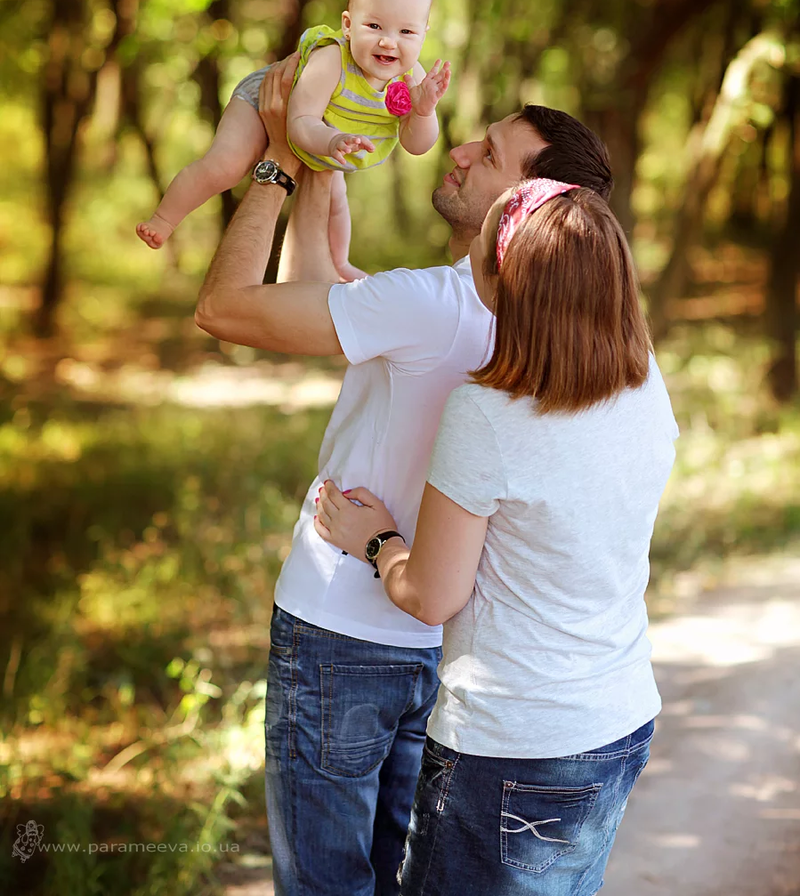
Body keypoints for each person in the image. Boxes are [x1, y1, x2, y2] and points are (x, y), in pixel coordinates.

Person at [194, 57, 614, 896]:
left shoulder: (427, 303)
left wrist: (276, 160)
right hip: (453, 645)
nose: (457, 149)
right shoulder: (574, 336)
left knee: (326, 885)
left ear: (521, 204)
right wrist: (326, 172)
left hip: (342, 630)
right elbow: (317, 299)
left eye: (488, 154)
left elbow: (225, 309)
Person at [315, 177, 679, 896]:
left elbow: (430, 595)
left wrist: (380, 539)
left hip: (515, 747)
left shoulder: (486, 415)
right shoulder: (644, 384)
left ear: (496, 286)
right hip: (621, 716)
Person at [137, 0, 450, 280]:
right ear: (347, 25)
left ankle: (339, 261)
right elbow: (301, 123)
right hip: (269, 104)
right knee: (227, 166)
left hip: (329, 136)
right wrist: (333, 140)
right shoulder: (331, 61)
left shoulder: (413, 80)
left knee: (337, 201)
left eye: (406, 32)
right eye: (374, 26)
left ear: (424, 34)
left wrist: (424, 111)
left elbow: (416, 144)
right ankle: (164, 219)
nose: (388, 41)